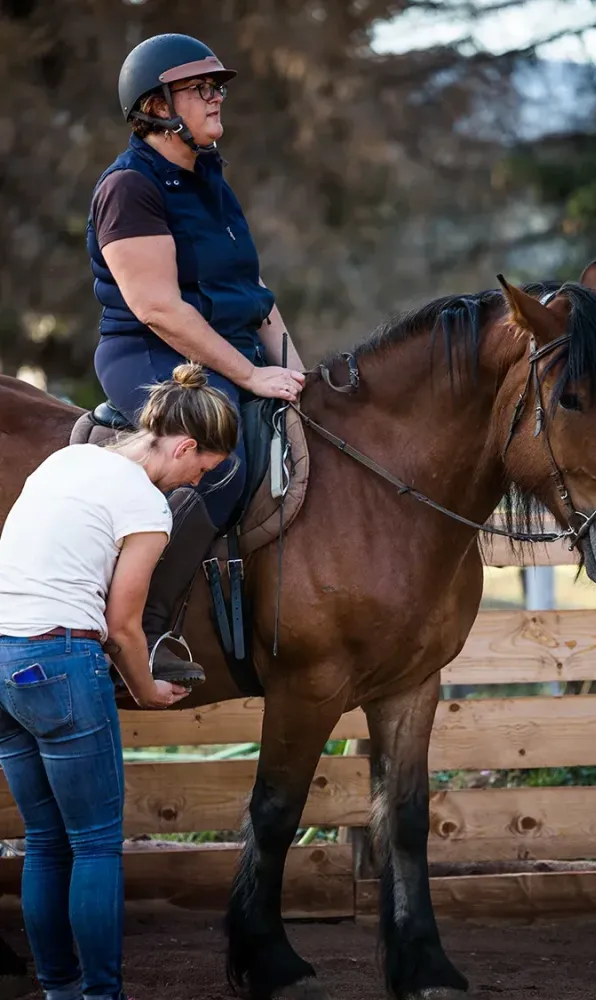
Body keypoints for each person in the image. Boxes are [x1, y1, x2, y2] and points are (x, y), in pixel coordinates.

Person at [0, 363, 238, 1000]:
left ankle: (59, 989)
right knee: (97, 844)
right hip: (59, 662)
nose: (198, 480)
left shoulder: (62, 463)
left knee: (45, 842)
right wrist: (147, 688)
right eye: (204, 467)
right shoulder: (145, 504)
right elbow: (124, 625)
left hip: (2, 659)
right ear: (184, 446)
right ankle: (102, 996)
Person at [87, 32, 306, 686]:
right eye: (202, 87)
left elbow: (257, 298)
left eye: (219, 87)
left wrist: (297, 374)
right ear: (157, 104)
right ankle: (145, 630)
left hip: (229, 353)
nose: (217, 98)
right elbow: (159, 309)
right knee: (220, 461)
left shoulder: (211, 179)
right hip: (151, 357)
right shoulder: (128, 188)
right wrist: (249, 376)